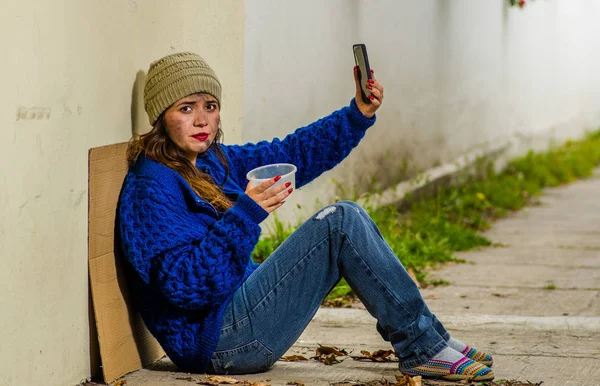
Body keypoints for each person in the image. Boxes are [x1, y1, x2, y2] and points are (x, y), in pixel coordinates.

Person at [117, 52, 495, 381]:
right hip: (221, 341)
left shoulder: (211, 160)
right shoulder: (152, 186)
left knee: (345, 217)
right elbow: (186, 287)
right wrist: (245, 215)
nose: (202, 121)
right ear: (161, 117)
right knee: (340, 220)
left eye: (210, 106)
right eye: (186, 109)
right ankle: (423, 346)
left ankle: (431, 341)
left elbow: (293, 151)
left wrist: (356, 115)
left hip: (239, 314)